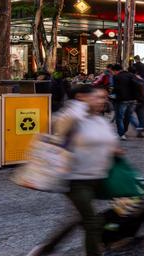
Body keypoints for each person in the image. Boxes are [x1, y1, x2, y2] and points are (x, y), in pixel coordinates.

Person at [32, 84, 119, 256]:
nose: (103, 101)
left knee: (77, 218)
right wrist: (75, 112)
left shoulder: (100, 120)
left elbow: (108, 142)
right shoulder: (69, 118)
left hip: (99, 177)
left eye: (104, 97)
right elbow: (55, 133)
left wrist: (114, 150)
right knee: (92, 221)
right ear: (81, 97)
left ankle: (47, 248)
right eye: (98, 97)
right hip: (75, 179)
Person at [109, 63, 144, 139]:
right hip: (132, 100)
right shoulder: (130, 74)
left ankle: (121, 134)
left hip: (122, 99)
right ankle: (138, 128)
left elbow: (116, 89)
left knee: (119, 117)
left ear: (115, 70)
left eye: (112, 71)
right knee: (129, 116)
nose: (112, 73)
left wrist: (112, 95)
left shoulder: (117, 77)